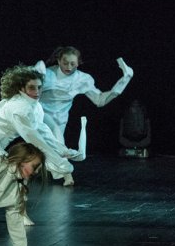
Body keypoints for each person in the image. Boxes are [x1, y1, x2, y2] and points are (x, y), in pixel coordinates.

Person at [0, 65, 82, 191]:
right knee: (10, 176)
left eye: (39, 87)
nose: (37, 92)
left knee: (15, 173)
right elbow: (34, 139)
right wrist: (62, 164)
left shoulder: (35, 106)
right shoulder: (19, 108)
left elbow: (43, 132)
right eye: (32, 87)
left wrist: (63, 150)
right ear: (21, 88)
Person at [35, 47, 133, 185]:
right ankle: (67, 176)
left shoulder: (82, 79)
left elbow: (100, 100)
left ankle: (36, 171)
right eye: (65, 63)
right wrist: (35, 72)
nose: (69, 67)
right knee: (57, 139)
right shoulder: (48, 74)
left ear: (79, 63)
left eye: (73, 64)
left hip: (60, 118)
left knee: (49, 146)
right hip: (40, 112)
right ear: (58, 60)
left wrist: (123, 81)